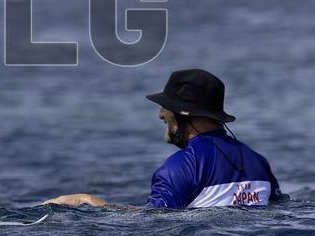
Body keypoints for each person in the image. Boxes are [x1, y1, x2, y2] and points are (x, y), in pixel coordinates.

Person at [44, 69, 286, 209]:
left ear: (183, 113)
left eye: (165, 107)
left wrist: (89, 203)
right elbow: (280, 209)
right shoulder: (259, 163)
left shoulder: (178, 168)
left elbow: (153, 224)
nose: (161, 114)